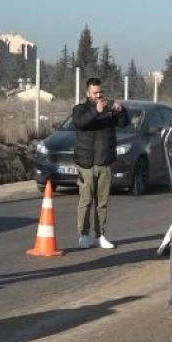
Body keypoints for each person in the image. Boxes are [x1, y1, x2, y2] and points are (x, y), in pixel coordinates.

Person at [72, 78, 126, 249]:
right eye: (95, 93)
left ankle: (100, 235)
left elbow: (123, 123)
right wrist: (96, 111)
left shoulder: (107, 108)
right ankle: (84, 235)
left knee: (102, 202)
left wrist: (120, 111)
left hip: (104, 163)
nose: (99, 95)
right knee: (86, 201)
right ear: (88, 93)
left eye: (100, 92)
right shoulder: (80, 109)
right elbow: (80, 123)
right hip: (86, 163)